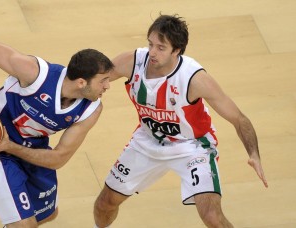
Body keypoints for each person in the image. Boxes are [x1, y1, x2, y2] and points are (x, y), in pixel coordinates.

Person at [93, 14, 268, 228]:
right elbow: (94, 79)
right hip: (147, 141)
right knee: (104, 203)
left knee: (212, 217)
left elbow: (239, 119)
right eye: (151, 44)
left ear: (177, 50)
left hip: (192, 146)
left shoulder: (195, 79)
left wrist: (254, 154)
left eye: (161, 47)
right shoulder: (132, 62)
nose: (152, 52)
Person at [0, 37, 114, 227]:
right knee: (23, 225)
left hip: (31, 147)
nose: (108, 86)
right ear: (81, 82)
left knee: (47, 215)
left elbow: (58, 158)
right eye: (103, 81)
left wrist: (11, 146)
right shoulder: (36, 74)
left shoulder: (91, 110)